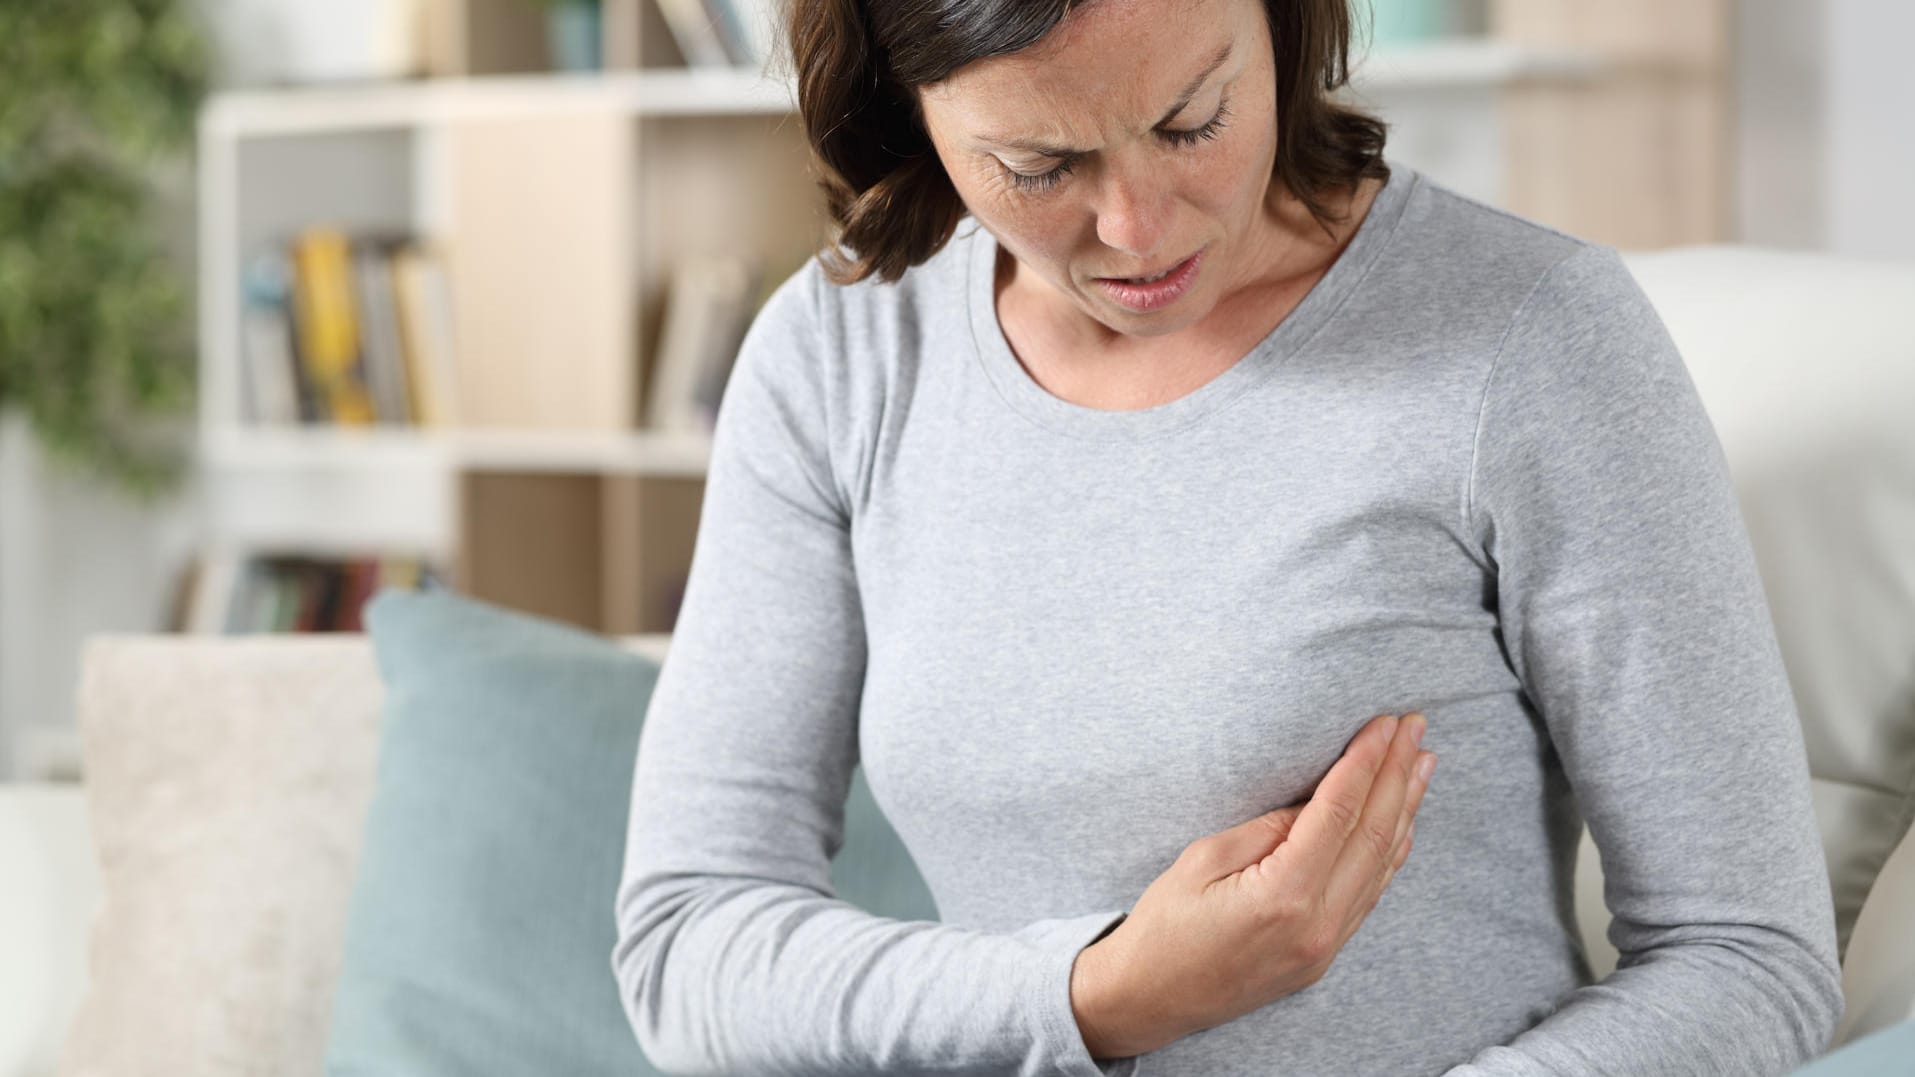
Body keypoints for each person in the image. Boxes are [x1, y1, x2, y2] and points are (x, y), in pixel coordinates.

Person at [611, 0, 1844, 1071]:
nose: (1140, 228)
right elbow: (686, 945)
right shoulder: (842, 354)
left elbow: (1750, 959)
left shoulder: (1532, 339)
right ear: (907, 112)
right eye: (1039, 165)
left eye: (1193, 120)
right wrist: (1101, 997)